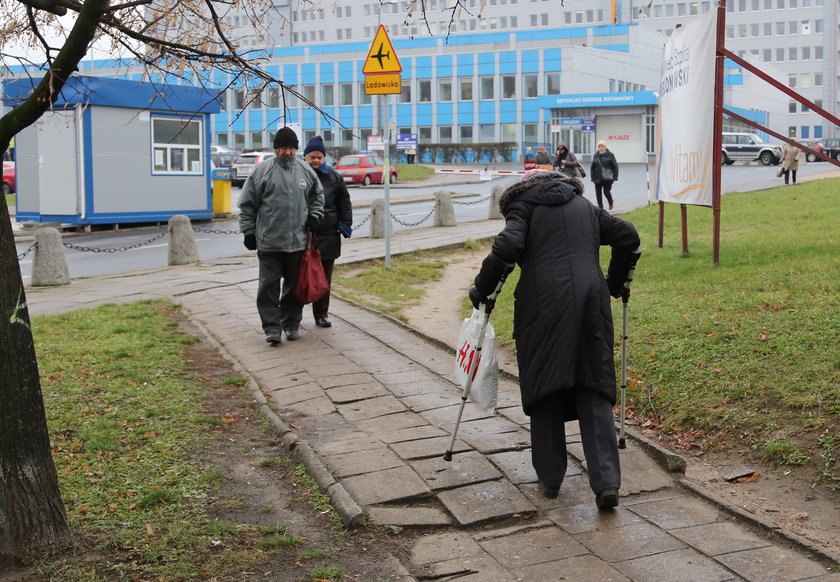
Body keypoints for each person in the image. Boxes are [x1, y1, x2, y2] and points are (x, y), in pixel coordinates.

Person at [468, 169, 640, 510]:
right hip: (592, 300)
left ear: (523, 187)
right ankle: (606, 482)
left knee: (546, 383)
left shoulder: (523, 206)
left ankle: (550, 478)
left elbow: (508, 245)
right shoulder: (584, 205)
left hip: (541, 304)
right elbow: (628, 236)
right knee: (593, 384)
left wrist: (481, 287)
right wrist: (616, 282)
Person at [238, 127, 324, 345]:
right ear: (276, 148)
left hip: (297, 242)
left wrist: (315, 216)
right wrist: (248, 231)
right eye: (283, 147)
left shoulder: (305, 170)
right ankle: (272, 328)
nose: (287, 152)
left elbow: (317, 197)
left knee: (295, 287)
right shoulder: (262, 172)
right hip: (269, 243)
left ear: (296, 149)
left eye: (291, 148)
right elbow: (247, 204)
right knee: (268, 287)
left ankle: (291, 324)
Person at [302, 135, 353, 328]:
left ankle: (321, 314)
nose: (316, 160)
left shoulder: (333, 176)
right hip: (304, 234)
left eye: (319, 157)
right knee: (299, 277)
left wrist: (344, 224)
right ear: (305, 157)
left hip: (329, 234)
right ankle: (294, 316)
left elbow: (344, 202)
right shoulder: (299, 174)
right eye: (312, 157)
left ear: (324, 158)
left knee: (324, 278)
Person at [590, 140, 620, 210]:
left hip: (608, 178)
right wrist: (592, 178)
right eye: (599, 146)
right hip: (597, 178)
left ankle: (610, 202)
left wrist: (615, 176)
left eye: (602, 146)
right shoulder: (596, 155)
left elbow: (615, 166)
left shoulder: (610, 155)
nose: (600, 148)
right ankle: (601, 209)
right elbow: (592, 167)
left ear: (605, 147)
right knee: (598, 194)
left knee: (606, 192)